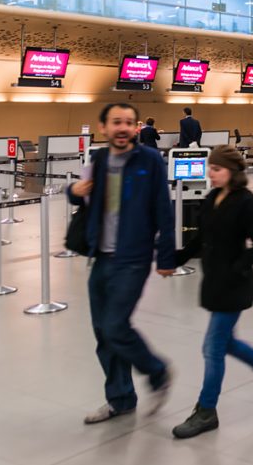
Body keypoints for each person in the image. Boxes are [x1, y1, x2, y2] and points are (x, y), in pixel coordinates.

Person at [170, 145, 253, 439]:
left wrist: (236, 268)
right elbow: (201, 236)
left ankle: (206, 411)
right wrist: (179, 256)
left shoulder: (245, 201)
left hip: (234, 284)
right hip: (213, 282)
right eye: (210, 168)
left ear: (232, 172)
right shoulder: (211, 198)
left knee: (212, 347)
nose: (211, 173)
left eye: (217, 169)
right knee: (225, 342)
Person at [68, 103, 176, 425]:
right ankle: (120, 399)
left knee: (116, 325)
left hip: (133, 257)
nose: (123, 127)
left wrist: (167, 256)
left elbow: (163, 209)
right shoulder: (98, 160)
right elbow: (79, 197)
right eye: (117, 122)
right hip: (100, 256)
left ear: (136, 127)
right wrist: (72, 191)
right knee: (103, 333)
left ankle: (157, 372)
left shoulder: (150, 160)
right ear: (104, 127)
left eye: (129, 122)